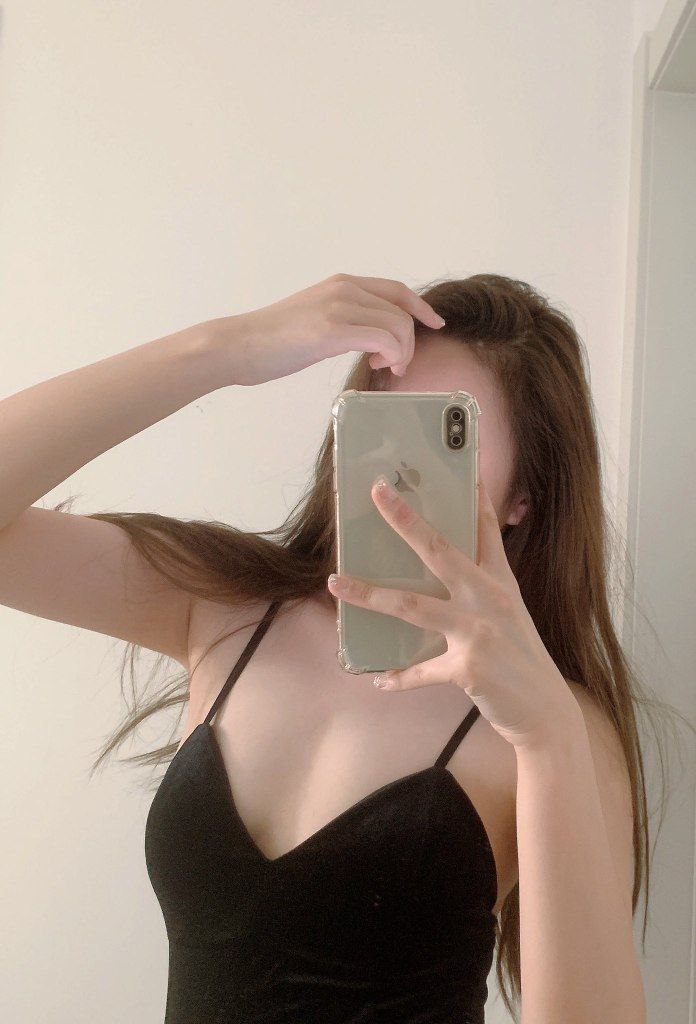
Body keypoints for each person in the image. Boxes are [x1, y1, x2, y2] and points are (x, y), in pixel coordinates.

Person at [0, 273, 652, 1023]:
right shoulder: (224, 611)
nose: (391, 472)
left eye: (441, 434)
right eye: (376, 426)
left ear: (521, 499)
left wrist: (545, 739)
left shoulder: (557, 726)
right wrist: (229, 346)